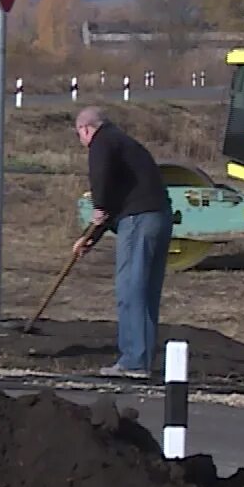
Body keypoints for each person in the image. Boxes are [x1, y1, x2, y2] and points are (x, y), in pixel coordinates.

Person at [73, 104, 174, 378]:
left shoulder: (102, 142)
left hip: (139, 221)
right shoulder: (126, 144)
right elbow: (115, 202)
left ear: (85, 129)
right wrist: (90, 238)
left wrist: (97, 206)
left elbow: (102, 185)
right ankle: (141, 357)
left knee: (130, 290)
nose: (83, 144)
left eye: (80, 136)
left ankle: (133, 361)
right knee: (146, 292)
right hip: (159, 218)